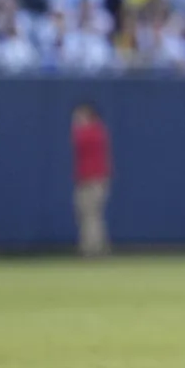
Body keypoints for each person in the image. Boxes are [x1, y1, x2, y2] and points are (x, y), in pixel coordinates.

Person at [71, 103, 111, 257]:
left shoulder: (93, 131)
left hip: (93, 180)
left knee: (91, 215)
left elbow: (79, 141)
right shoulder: (95, 130)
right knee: (89, 215)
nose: (77, 119)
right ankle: (96, 247)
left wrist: (77, 126)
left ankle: (92, 249)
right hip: (88, 179)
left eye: (81, 116)